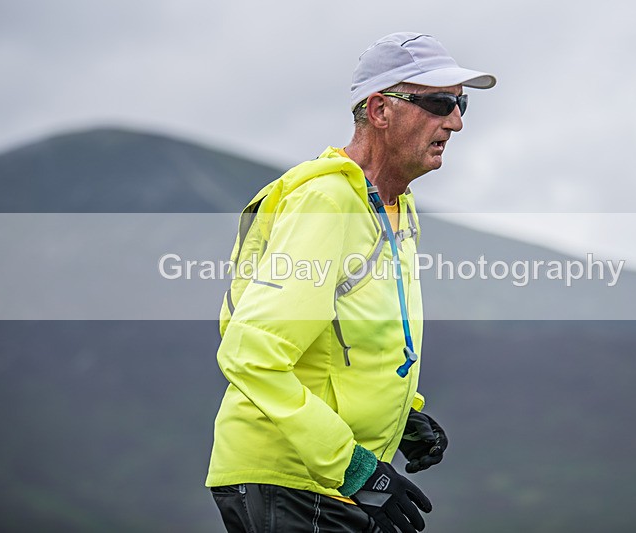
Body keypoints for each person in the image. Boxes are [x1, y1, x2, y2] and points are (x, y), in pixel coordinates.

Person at [206, 32, 496, 533]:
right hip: (295, 479)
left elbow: (355, 339)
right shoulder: (328, 201)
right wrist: (354, 467)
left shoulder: (394, 209)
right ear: (380, 110)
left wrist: (403, 416)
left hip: (323, 481)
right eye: (439, 101)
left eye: (460, 102)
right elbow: (249, 354)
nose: (456, 120)